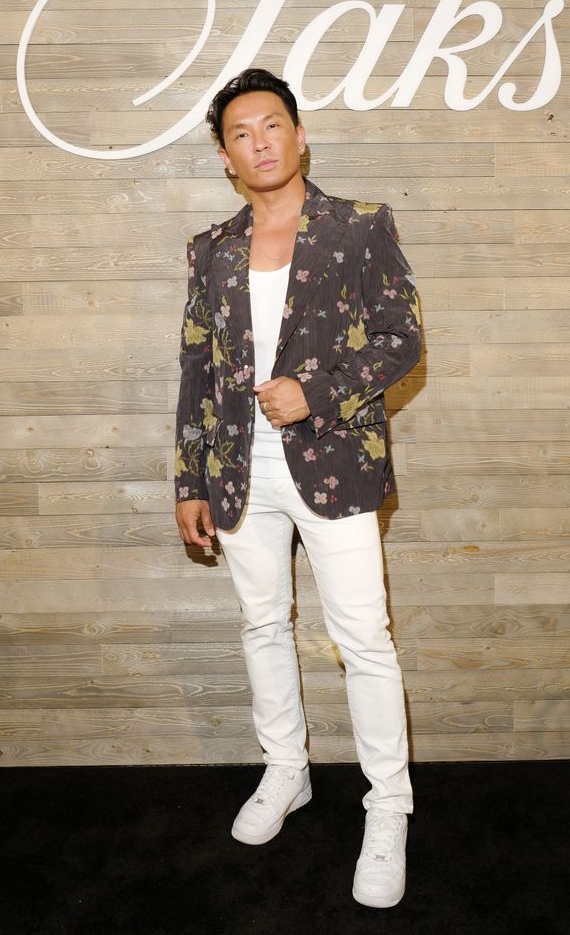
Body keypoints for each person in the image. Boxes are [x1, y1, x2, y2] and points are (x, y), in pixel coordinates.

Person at [174, 68, 421, 909]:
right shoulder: (211, 247)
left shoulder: (358, 225)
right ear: (225, 156)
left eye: (272, 125)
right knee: (261, 623)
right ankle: (287, 769)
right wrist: (189, 476)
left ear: (300, 133)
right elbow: (197, 368)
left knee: (364, 638)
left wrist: (316, 391)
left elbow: (401, 337)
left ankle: (387, 805)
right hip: (239, 469)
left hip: (335, 461)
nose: (260, 142)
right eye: (240, 134)